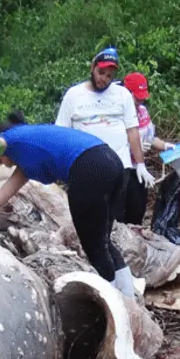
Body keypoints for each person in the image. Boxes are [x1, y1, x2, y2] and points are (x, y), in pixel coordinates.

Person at [0, 112, 137, 294]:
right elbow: (2, 194)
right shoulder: (26, 162)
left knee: (93, 247)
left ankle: (115, 304)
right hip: (111, 162)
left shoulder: (7, 140)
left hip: (89, 167)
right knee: (102, 241)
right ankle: (128, 297)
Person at [55, 47, 155, 229]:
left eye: (109, 76)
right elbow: (61, 134)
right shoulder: (74, 95)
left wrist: (139, 164)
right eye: (101, 73)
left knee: (116, 221)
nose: (104, 79)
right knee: (90, 220)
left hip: (119, 167)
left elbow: (132, 131)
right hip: (86, 168)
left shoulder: (122, 94)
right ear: (92, 67)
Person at [122, 73, 174, 223]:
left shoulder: (142, 111)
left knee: (138, 209)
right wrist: (133, 146)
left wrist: (165, 146)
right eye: (136, 97)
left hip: (139, 168)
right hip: (122, 166)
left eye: (142, 97)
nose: (140, 100)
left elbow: (151, 138)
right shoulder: (117, 113)